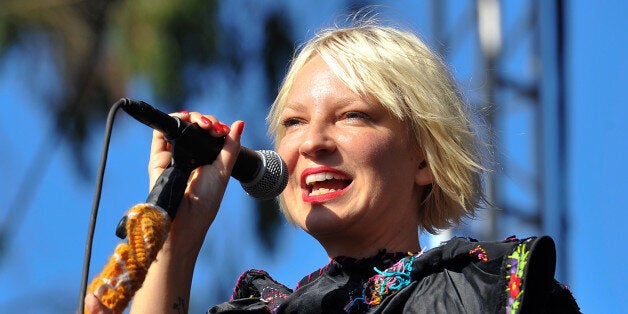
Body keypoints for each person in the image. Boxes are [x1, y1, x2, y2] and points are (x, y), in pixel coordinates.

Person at [85, 17, 580, 313]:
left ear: (424, 158)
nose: (313, 143)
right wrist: (180, 236)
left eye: (352, 116)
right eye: (294, 123)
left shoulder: (491, 294)